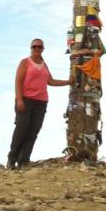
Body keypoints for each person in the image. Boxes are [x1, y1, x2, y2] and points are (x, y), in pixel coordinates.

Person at [7, 39, 71, 169]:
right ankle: (11, 160)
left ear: (43, 49)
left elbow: (51, 81)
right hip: (26, 99)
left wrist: (68, 82)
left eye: (39, 47)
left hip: (41, 102)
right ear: (31, 48)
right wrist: (19, 99)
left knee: (33, 131)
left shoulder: (44, 64)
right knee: (21, 130)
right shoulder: (25, 62)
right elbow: (18, 81)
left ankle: (24, 160)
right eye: (34, 46)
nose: (37, 49)